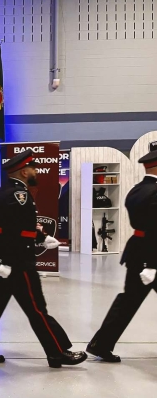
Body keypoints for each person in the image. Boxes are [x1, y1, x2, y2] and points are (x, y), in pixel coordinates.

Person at [0, 150, 87, 368]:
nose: (35, 171)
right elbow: (11, 232)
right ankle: (57, 352)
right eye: (32, 168)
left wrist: (42, 237)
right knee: (37, 308)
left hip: (5, 261)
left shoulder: (8, 191)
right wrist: (8, 261)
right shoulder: (18, 195)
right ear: (24, 172)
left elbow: (19, 227)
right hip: (17, 262)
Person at [86, 150, 157, 362]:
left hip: (137, 252)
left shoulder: (136, 190)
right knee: (128, 301)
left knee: (127, 302)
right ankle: (101, 344)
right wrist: (151, 264)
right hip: (151, 255)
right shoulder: (154, 193)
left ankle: (101, 344)